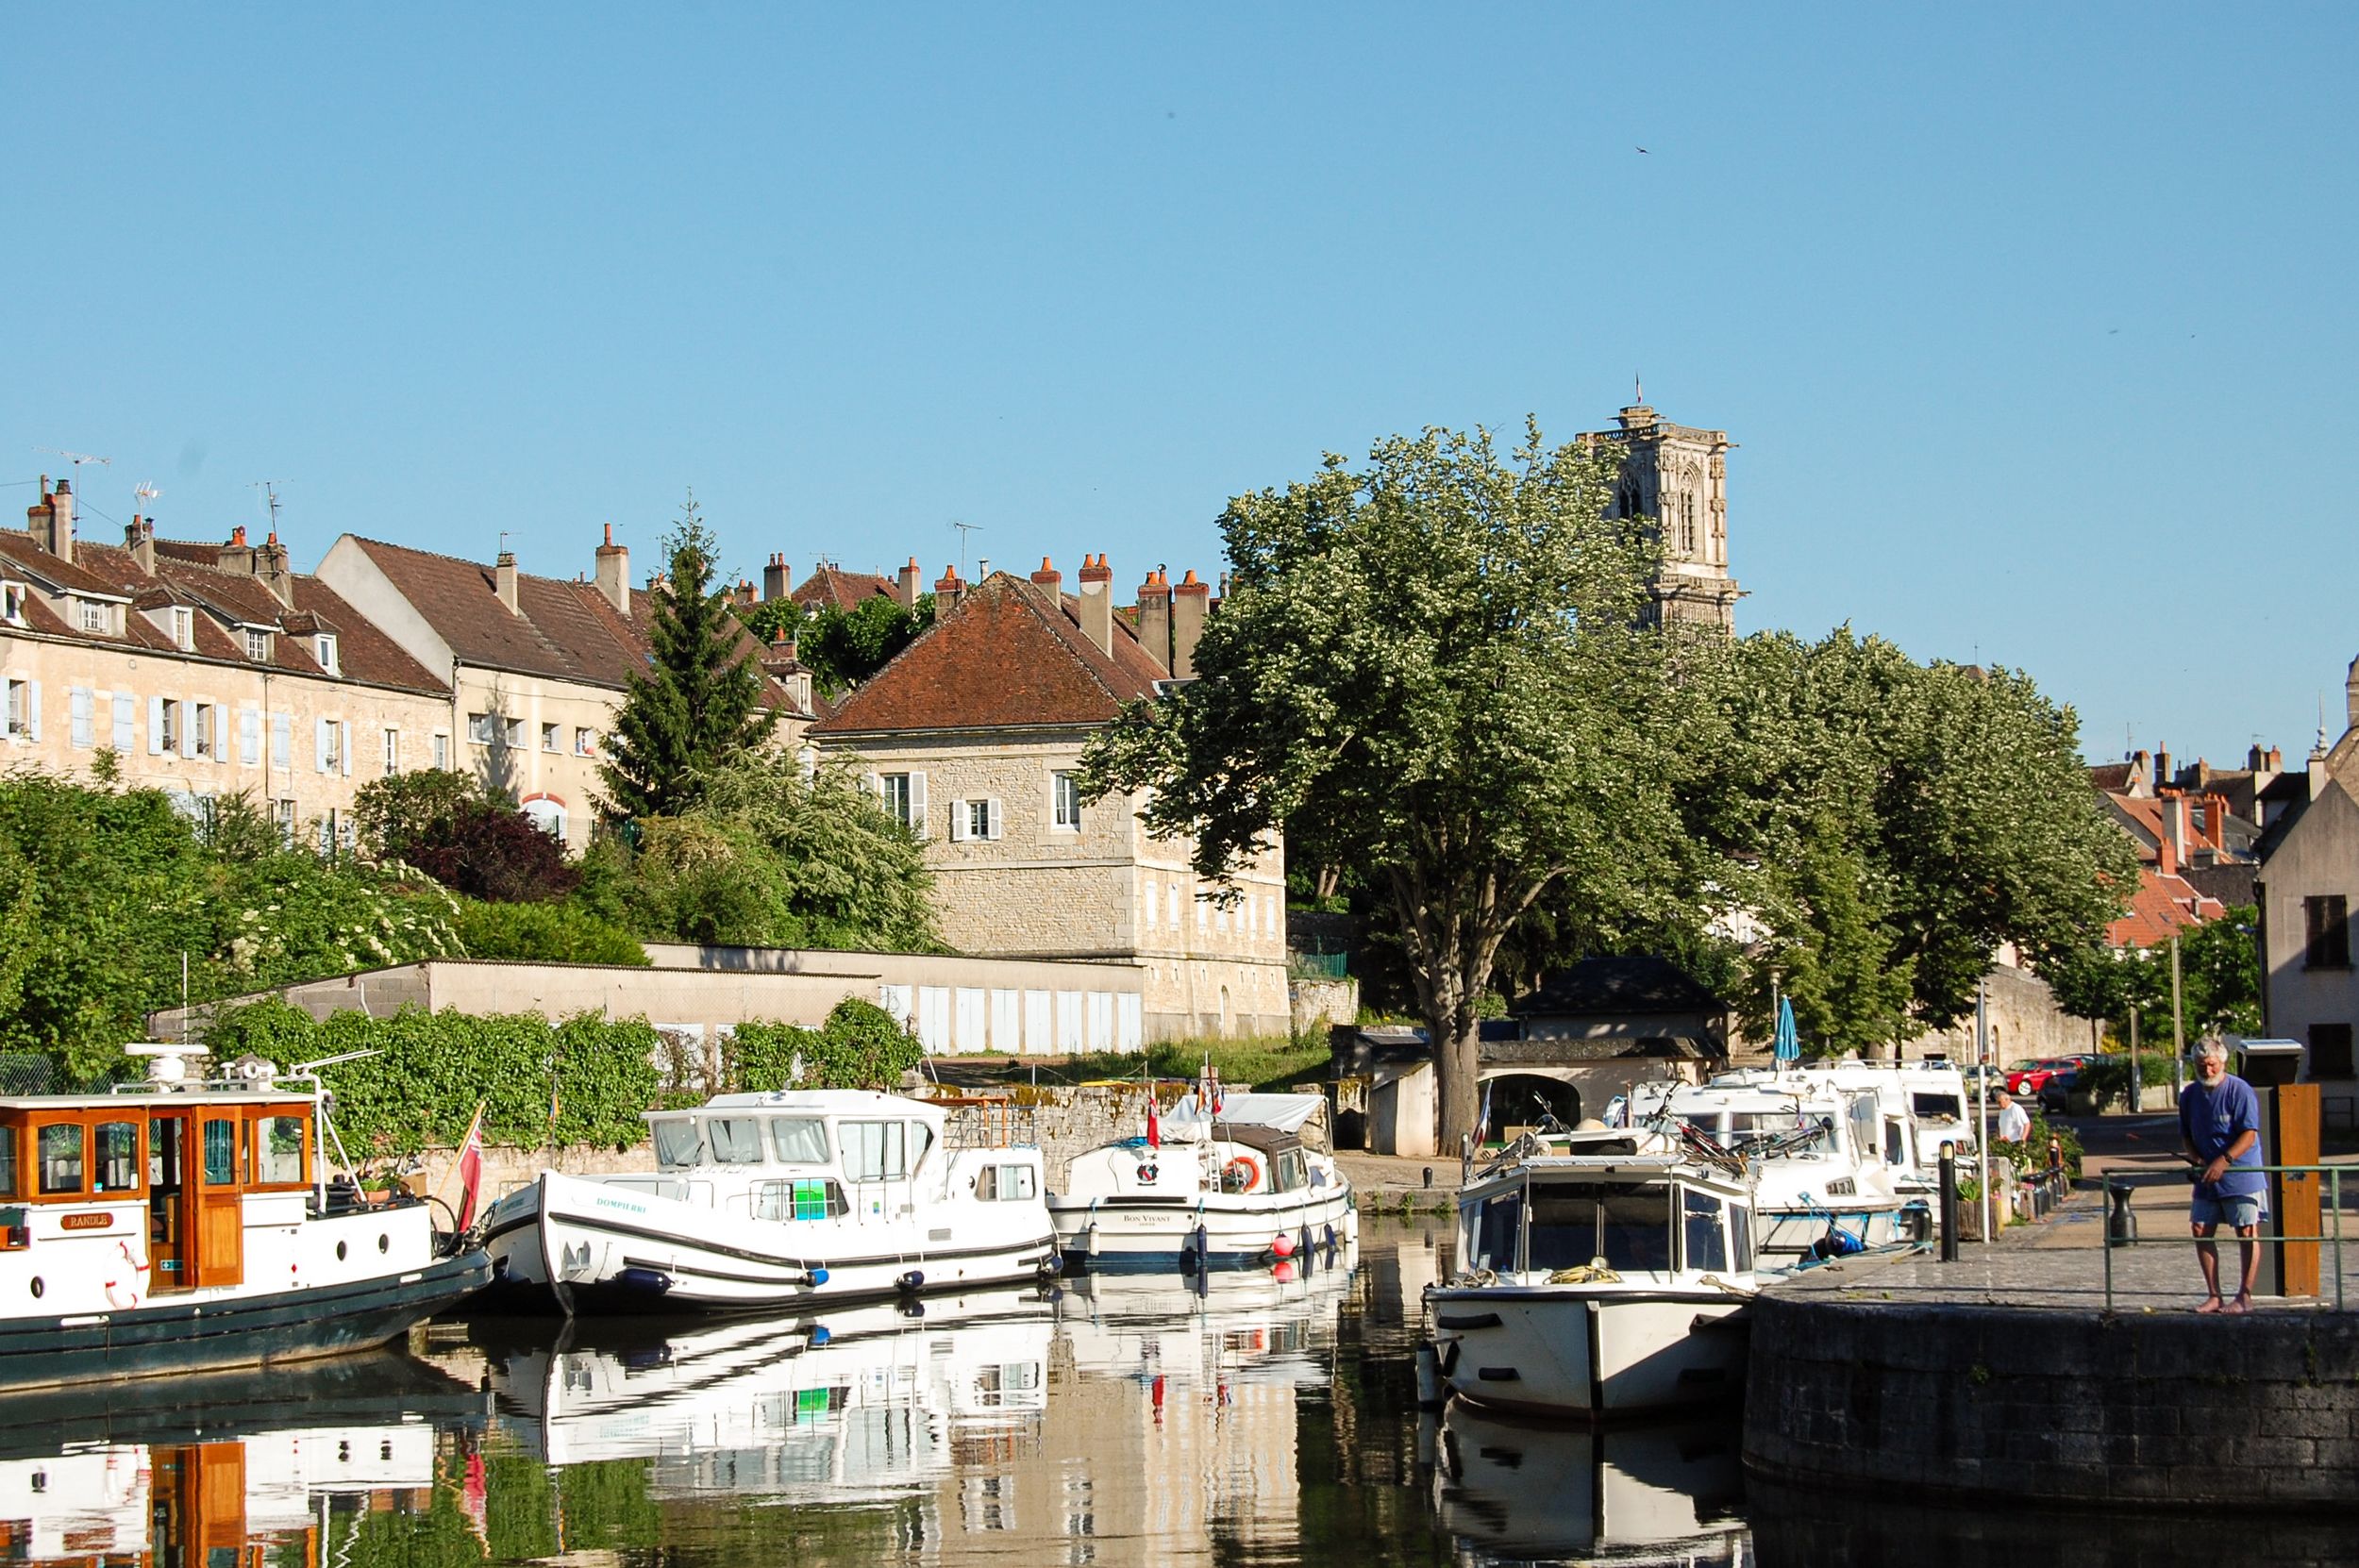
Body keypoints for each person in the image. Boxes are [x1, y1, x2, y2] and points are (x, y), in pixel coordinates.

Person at [2178, 1038, 2267, 1315]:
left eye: (2211, 1064)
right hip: (2206, 1175)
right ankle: (2214, 1295)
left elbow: (2249, 1133)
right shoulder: (2189, 1095)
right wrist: (2196, 1158)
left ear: (2222, 1063)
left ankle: (2245, 1295)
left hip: (2241, 1173)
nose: (2206, 1070)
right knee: (2200, 1228)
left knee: (2246, 1230)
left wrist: (2224, 1160)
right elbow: (2187, 1135)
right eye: (2201, 1065)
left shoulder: (2240, 1091)